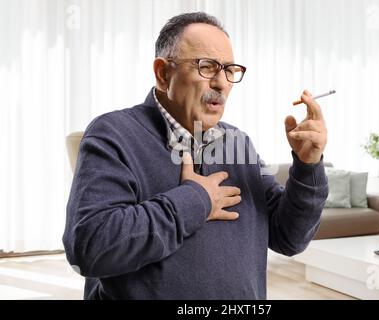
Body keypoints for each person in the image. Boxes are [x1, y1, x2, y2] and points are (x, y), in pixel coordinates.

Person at [63, 12, 329, 300]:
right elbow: (89, 247)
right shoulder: (113, 134)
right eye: (206, 67)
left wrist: (307, 166)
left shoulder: (238, 143)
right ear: (163, 74)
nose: (222, 83)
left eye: (229, 70)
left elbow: (289, 238)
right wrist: (195, 201)